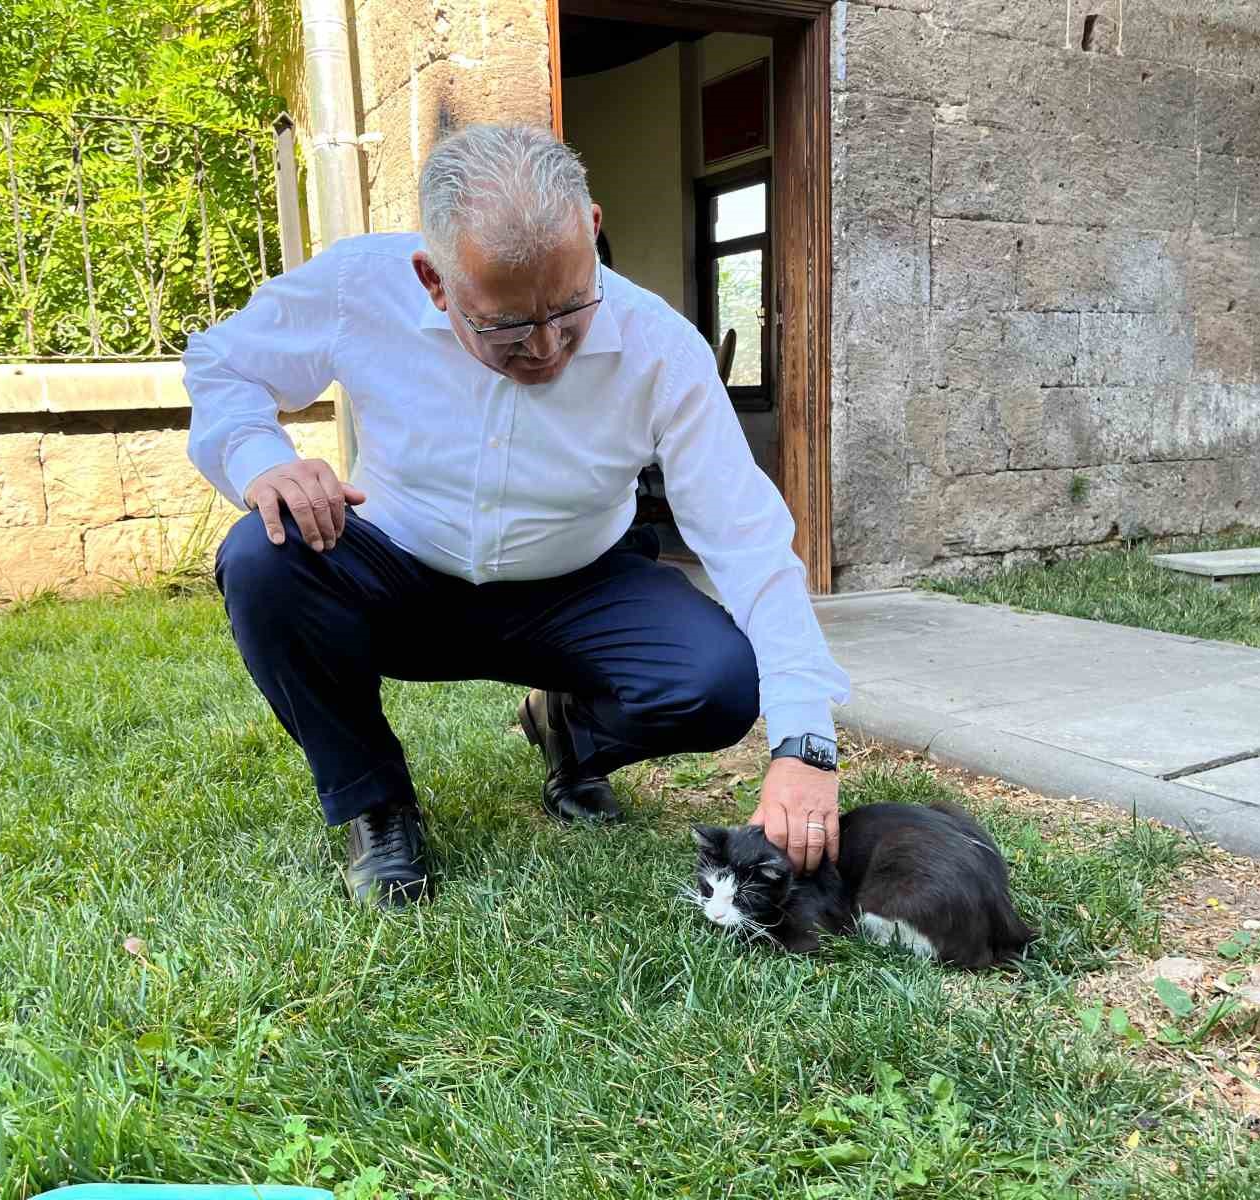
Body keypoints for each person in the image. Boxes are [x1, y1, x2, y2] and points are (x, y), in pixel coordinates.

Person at [182, 123, 850, 907]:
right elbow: (224, 363)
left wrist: (805, 739)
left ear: (591, 231)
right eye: (506, 325)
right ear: (433, 280)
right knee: (264, 558)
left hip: (576, 588)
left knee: (718, 681)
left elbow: (746, 538)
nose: (546, 348)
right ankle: (376, 805)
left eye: (571, 308)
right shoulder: (356, 287)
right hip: (399, 573)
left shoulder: (660, 348)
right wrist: (263, 461)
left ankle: (570, 733)